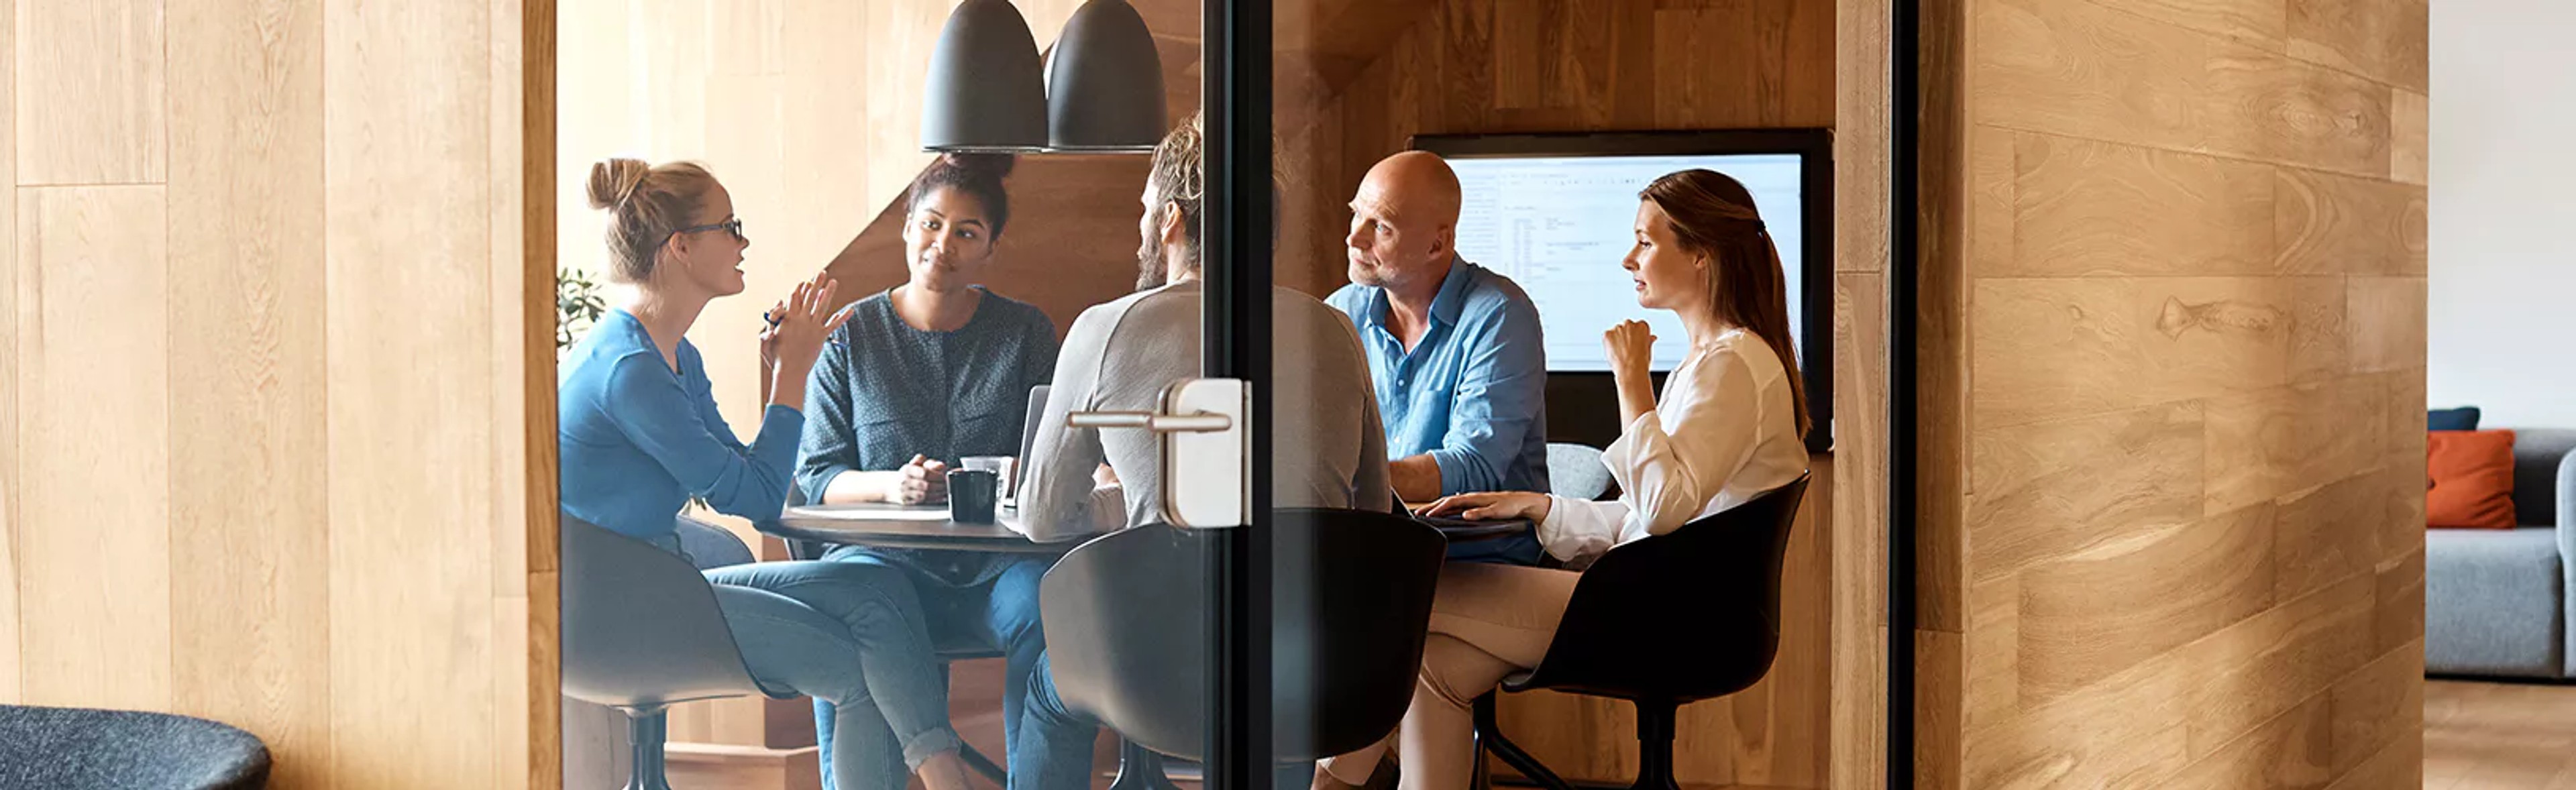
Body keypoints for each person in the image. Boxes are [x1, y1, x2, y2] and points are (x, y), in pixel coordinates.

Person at [1313, 169, 1812, 790]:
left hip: (1677, 616)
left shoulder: (1733, 363)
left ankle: (1325, 787)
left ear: (1702, 256)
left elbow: (1661, 513)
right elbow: (1645, 513)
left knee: (1402, 601)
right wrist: (1540, 506)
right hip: (1660, 596)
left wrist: (1631, 384)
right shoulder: (1718, 360)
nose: (1630, 258)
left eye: (1647, 243)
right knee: (1432, 667)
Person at [555, 157, 978, 790]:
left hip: (659, 578)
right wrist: (792, 377)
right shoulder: (630, 371)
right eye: (731, 226)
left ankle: (945, 776)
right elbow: (754, 499)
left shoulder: (672, 356)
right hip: (613, 614)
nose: (744, 241)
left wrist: (789, 375)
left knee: (876, 593)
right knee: (852, 672)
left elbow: (756, 483)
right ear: (681, 247)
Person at [1006, 116, 1393, 790]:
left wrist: (1131, 502)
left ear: (1173, 221)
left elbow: (1041, 516)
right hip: (1313, 666)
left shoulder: (1107, 325)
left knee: (1043, 683)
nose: (1141, 226)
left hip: (1158, 666)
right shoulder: (1337, 330)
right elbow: (1374, 510)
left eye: (1146, 210)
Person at [792, 154, 1062, 789]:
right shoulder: (850, 335)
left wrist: (1017, 475)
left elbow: (1055, 459)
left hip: (998, 569)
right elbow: (818, 475)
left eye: (967, 233)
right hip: (883, 564)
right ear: (906, 227)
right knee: (856, 598)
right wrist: (894, 484)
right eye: (931, 225)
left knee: (1047, 607)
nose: (943, 246)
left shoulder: (1025, 332)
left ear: (990, 247)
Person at [1326, 151, 1549, 508]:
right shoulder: (1340, 312)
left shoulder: (1501, 316)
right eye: (1356, 214)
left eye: (1381, 226)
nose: (1354, 238)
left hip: (1479, 548)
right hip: (1377, 537)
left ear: (1437, 244)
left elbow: (1474, 465)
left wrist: (1348, 480)